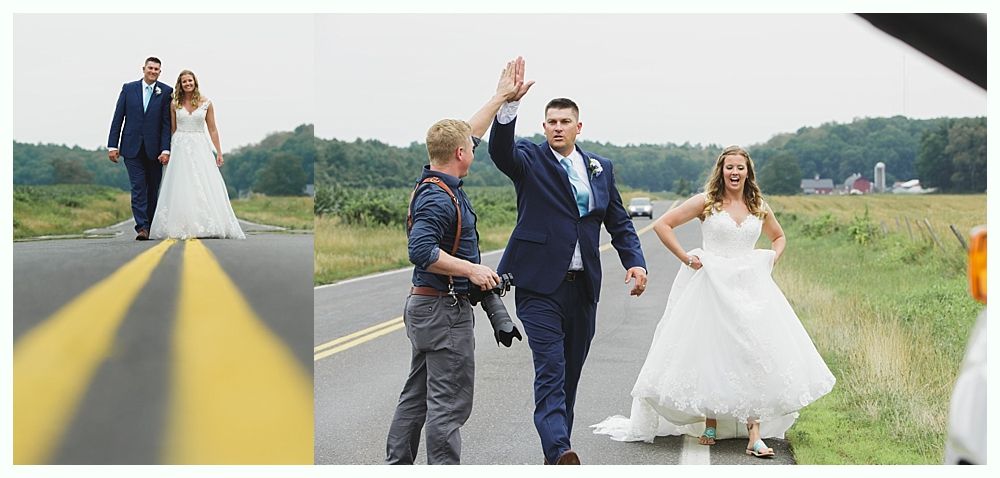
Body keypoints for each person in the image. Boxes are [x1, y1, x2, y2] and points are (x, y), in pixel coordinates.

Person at [591, 145, 836, 458]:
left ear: (748, 172)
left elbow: (779, 236)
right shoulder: (707, 201)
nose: (734, 173)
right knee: (712, 349)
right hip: (712, 285)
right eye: (729, 167)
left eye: (740, 168)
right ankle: (710, 420)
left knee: (753, 352)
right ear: (721, 170)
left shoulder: (758, 204)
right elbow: (664, 225)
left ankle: (755, 434)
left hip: (750, 289)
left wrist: (768, 260)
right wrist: (687, 257)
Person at [487, 58, 647, 465]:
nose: (557, 127)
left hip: (583, 288)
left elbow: (619, 221)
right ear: (543, 128)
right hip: (539, 286)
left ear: (579, 126)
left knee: (569, 376)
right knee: (551, 371)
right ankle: (560, 450)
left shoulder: (600, 168)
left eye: (565, 121)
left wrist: (636, 261)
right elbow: (500, 152)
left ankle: (557, 454)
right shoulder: (529, 160)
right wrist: (508, 106)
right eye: (551, 121)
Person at [385, 59, 523, 465]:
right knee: (449, 406)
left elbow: (469, 132)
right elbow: (421, 251)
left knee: (416, 398)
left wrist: (500, 98)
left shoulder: (437, 177)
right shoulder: (436, 197)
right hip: (442, 311)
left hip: (428, 308)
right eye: (471, 147)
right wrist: (473, 269)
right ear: (461, 154)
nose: (474, 148)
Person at [149, 70, 245, 240]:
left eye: (190, 81)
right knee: (181, 185)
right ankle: (182, 224)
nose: (187, 84)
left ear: (195, 82)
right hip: (180, 146)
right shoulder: (174, 103)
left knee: (202, 182)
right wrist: (168, 150)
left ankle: (207, 222)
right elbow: (172, 129)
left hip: (200, 145)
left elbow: (213, 129)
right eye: (184, 81)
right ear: (180, 84)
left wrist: (219, 152)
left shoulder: (206, 103)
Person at [107, 56, 173, 240]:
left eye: (156, 69)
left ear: (160, 72)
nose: (153, 71)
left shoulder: (166, 91)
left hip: (155, 151)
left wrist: (165, 149)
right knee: (138, 187)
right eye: (150, 68)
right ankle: (142, 227)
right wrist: (113, 145)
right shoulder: (129, 89)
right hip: (131, 148)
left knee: (152, 189)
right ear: (143, 69)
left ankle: (150, 224)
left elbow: (166, 124)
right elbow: (118, 117)